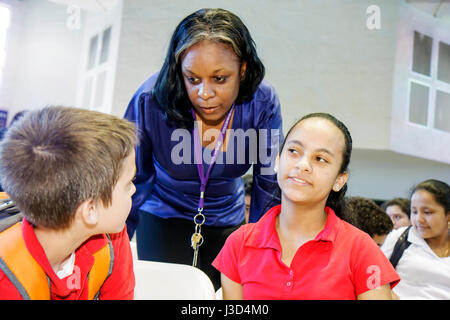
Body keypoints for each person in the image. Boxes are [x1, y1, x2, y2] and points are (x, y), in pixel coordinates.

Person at [124, 8, 282, 289]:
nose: (204, 94)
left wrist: (260, 247)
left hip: (227, 222)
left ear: (242, 70)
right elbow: (132, 177)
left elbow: (268, 183)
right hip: (163, 215)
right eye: (192, 79)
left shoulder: (263, 102)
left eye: (219, 79)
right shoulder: (150, 99)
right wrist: (115, 247)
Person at [213, 113, 400, 299]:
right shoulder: (239, 243)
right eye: (294, 151)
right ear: (277, 161)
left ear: (339, 180)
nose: (303, 165)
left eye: (320, 159)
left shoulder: (361, 249)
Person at [0, 106, 136, 300]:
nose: (134, 189)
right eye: (128, 183)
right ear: (90, 209)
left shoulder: (110, 237)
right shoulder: (6, 278)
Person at [381, 179, 450, 299]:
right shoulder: (400, 238)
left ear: (448, 215)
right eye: (414, 211)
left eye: (427, 212)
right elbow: (374, 278)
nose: (419, 219)